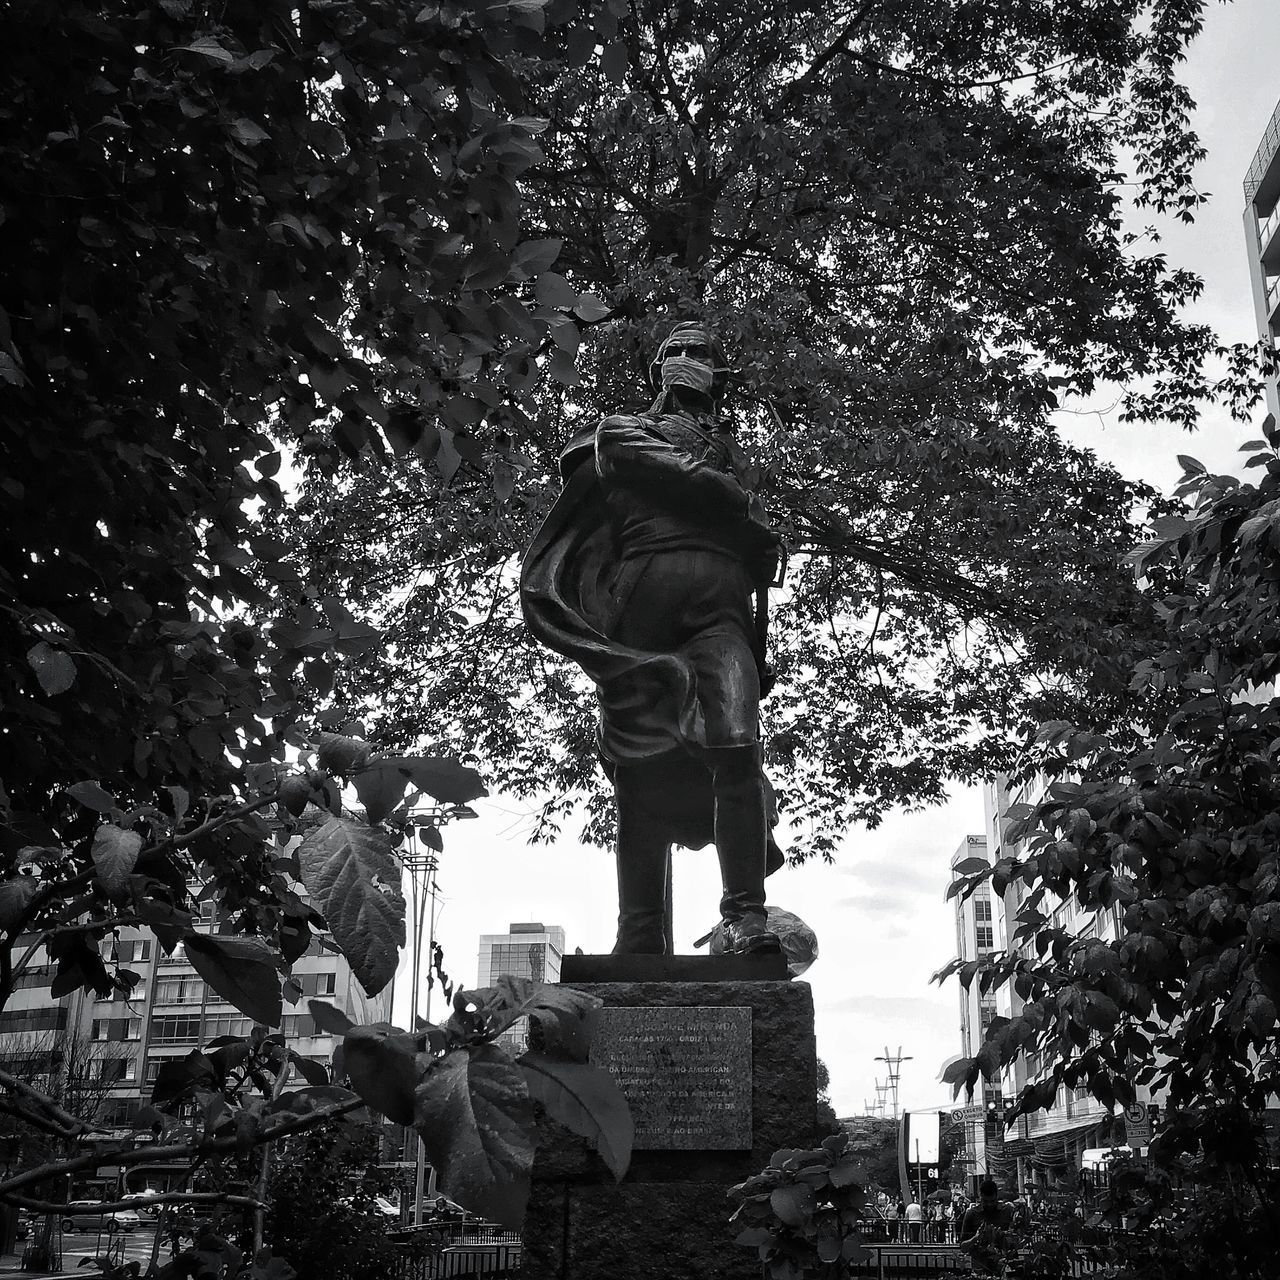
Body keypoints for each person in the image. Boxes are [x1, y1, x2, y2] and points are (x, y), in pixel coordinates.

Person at [522, 322, 786, 954]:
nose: (686, 363)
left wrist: (748, 519)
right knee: (639, 772)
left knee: (737, 740)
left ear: (720, 374)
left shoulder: (738, 454)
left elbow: (755, 529)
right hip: (641, 615)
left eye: (700, 354)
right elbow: (662, 472)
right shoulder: (619, 430)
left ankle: (746, 915)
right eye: (675, 352)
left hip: (721, 615)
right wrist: (728, 500)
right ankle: (639, 932)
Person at [959, 1179, 1017, 1276]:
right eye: (985, 1201)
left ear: (997, 1196)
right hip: (980, 1269)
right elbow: (963, 1247)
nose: (989, 1204)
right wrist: (976, 1238)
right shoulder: (972, 1214)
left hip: (1005, 1267)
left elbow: (1016, 1239)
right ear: (980, 1196)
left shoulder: (1008, 1211)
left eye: (992, 1201)